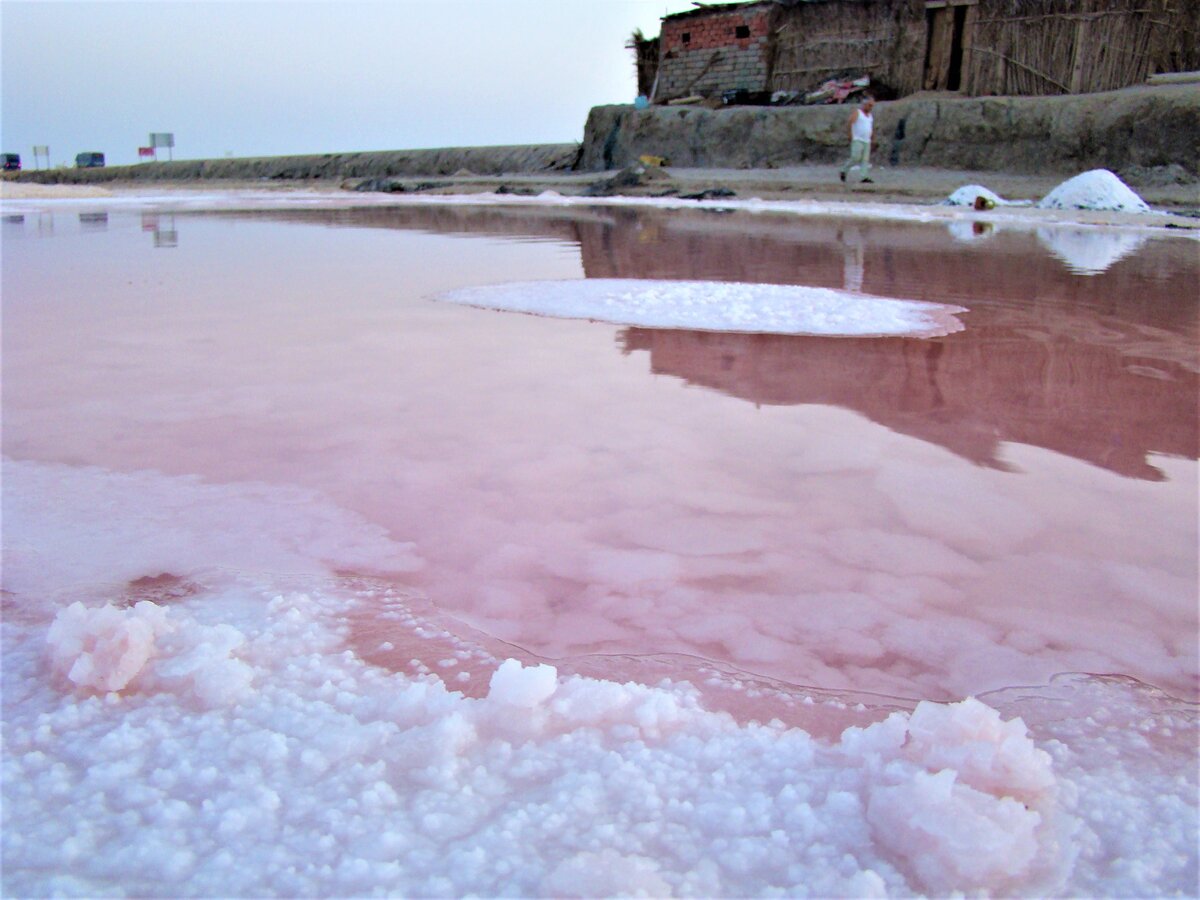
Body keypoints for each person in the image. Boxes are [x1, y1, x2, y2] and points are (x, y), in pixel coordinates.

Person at [839, 94, 875, 184]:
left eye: (872, 106)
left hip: (867, 140)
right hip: (858, 139)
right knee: (855, 157)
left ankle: (864, 176)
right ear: (864, 104)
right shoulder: (858, 113)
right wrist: (850, 135)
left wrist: (872, 136)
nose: (871, 107)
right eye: (869, 105)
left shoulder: (870, 116)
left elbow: (870, 127)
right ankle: (844, 170)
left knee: (865, 159)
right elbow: (850, 123)